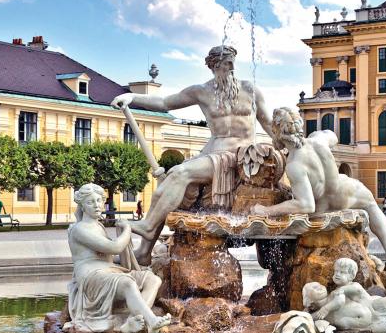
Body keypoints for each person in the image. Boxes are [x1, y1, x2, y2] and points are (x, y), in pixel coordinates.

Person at [111, 45, 274, 265]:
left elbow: (268, 123)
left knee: (180, 173)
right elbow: (165, 103)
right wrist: (132, 97)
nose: (233, 68)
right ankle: (144, 252)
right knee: (168, 182)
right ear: (215, 66)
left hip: (242, 157)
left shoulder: (250, 90)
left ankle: (149, 227)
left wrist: (291, 143)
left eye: (234, 62)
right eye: (227, 63)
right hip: (215, 153)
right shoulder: (202, 91)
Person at [251, 107, 386, 260]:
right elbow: (333, 136)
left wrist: (267, 210)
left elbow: (306, 205)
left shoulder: (295, 164)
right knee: (370, 203)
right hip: (344, 191)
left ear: (278, 134)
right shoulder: (318, 139)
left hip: (325, 205)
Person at [65, 183, 171, 333]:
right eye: (90, 202)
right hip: (91, 276)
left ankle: (131, 321)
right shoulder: (79, 229)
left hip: (109, 270)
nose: (96, 205)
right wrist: (127, 229)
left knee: (152, 279)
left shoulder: (98, 226)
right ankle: (151, 321)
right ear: (82, 206)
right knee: (127, 283)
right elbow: (114, 247)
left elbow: (109, 256)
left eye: (99, 201)